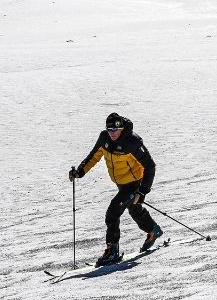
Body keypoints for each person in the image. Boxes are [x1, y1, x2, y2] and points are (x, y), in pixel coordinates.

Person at [69, 113, 162, 266]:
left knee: (112, 213)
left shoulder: (132, 141)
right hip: (121, 183)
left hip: (135, 183)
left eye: (115, 129)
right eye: (109, 129)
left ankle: (112, 250)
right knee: (134, 210)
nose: (112, 132)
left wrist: (143, 191)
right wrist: (80, 172)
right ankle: (153, 230)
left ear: (121, 128)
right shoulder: (104, 138)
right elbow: (93, 156)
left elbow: (150, 165)